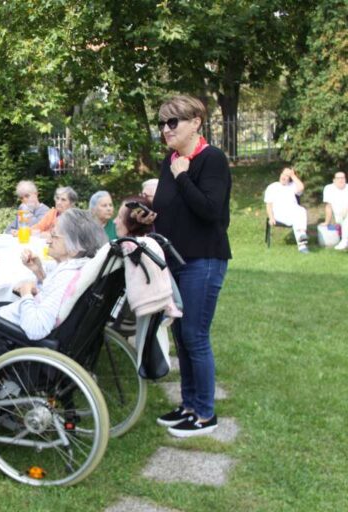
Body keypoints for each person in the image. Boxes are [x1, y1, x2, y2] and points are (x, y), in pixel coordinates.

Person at [151, 95, 231, 437]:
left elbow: (212, 211)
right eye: (162, 124)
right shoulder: (169, 162)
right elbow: (168, 210)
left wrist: (183, 178)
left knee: (196, 336)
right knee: (181, 337)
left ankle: (205, 414)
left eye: (173, 122)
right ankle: (187, 406)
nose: (166, 130)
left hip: (204, 260)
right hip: (176, 262)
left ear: (196, 122)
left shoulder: (211, 159)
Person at [0, 209, 107, 355]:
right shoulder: (76, 271)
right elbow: (56, 299)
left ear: (74, 248)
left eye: (54, 235)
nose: (49, 239)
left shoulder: (68, 277)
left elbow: (36, 328)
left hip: (11, 337)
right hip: (16, 323)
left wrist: (26, 292)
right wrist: (38, 272)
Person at [264, 167, 309, 253]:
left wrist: (293, 176)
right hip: (279, 214)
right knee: (298, 216)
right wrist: (271, 217)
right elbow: (269, 205)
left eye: (287, 176)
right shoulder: (272, 187)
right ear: (280, 175)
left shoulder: (292, 186)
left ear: (290, 178)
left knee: (301, 211)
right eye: (283, 174)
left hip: (293, 212)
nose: (284, 177)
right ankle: (302, 244)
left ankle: (302, 239)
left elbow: (301, 188)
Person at [321, 171, 348, 250]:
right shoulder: (329, 188)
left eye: (342, 178)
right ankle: (344, 241)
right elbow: (328, 206)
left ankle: (345, 241)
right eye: (338, 178)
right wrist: (327, 222)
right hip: (340, 216)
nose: (341, 180)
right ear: (334, 180)